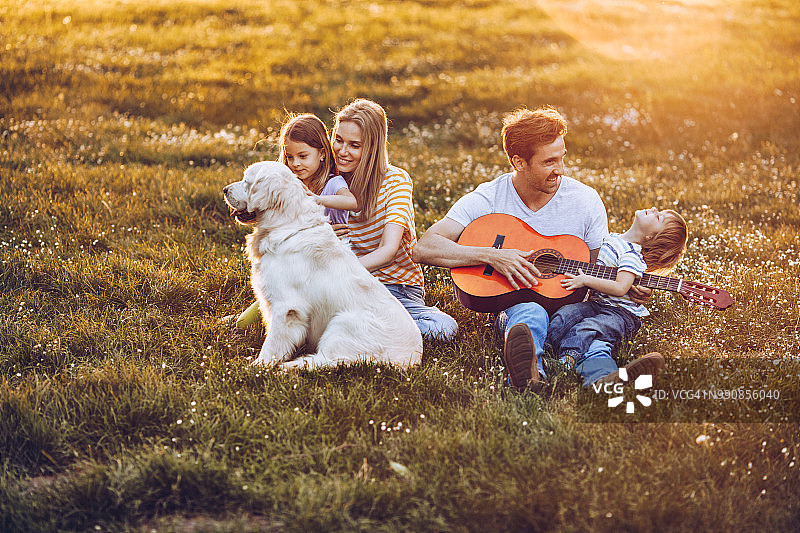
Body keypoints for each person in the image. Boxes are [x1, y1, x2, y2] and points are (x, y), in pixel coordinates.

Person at [412, 105, 651, 389]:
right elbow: (424, 247)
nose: (560, 170)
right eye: (549, 162)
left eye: (562, 159)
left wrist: (623, 282)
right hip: (514, 304)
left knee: (590, 331)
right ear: (519, 162)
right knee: (531, 313)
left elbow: (594, 266)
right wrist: (493, 256)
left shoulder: (585, 200)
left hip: (572, 306)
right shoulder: (489, 198)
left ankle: (605, 382)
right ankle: (529, 377)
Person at [331, 98, 458, 341]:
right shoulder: (331, 183)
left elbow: (388, 249)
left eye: (354, 145)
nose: (343, 151)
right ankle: (361, 328)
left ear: (372, 147)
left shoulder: (395, 181)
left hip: (395, 288)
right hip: (348, 288)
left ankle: (359, 330)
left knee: (443, 328)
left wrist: (341, 272)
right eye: (338, 140)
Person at [234, 113, 357, 329]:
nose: (296, 164)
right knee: (245, 322)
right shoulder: (290, 183)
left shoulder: (332, 182)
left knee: (296, 304)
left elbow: (351, 201)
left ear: (321, 153)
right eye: (290, 157)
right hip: (297, 259)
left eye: (302, 156)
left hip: (327, 261)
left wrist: (318, 199)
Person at [546, 207, 688, 386]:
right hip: (599, 305)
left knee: (587, 328)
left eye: (658, 217)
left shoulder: (631, 255)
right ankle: (549, 353)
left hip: (621, 313)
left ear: (650, 237)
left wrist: (586, 280)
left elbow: (621, 287)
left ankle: (566, 362)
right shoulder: (613, 239)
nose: (653, 209)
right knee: (563, 316)